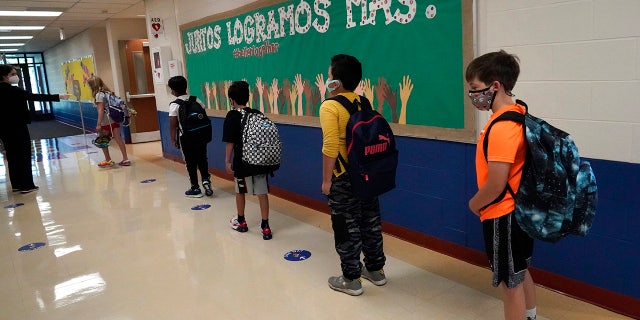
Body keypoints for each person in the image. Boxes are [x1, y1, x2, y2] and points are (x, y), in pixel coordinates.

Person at [466, 50, 537, 320]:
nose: (473, 95)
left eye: (475, 88)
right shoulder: (518, 114)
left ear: (495, 85)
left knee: (510, 285)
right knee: (520, 271)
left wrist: (474, 204)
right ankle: (530, 316)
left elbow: (496, 184)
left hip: (502, 215)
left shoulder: (502, 127)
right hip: (516, 212)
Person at [319, 54, 387, 296]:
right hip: (367, 174)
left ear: (335, 82)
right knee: (370, 222)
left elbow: (330, 146)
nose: (327, 80)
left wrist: (327, 181)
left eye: (329, 76)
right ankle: (376, 271)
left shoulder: (330, 106)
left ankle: (351, 279)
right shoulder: (364, 102)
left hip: (343, 177)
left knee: (345, 227)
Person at [0, 64, 69, 194]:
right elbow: (35, 96)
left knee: (12, 155)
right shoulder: (14, 91)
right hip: (18, 126)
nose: (16, 77)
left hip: (4, 129)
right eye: (13, 74)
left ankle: (16, 184)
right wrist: (58, 96)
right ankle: (26, 185)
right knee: (23, 155)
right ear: (4, 76)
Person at [222, 80, 273, 240]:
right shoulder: (257, 114)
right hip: (259, 162)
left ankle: (241, 221)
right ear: (247, 97)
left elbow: (230, 142)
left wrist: (227, 161)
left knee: (240, 191)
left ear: (232, 100)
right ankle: (265, 227)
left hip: (242, 162)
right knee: (262, 193)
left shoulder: (232, 116)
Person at [167, 75, 213, 198]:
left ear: (174, 90)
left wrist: (173, 139)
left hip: (186, 138)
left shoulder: (174, 105)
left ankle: (195, 188)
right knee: (202, 159)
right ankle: (206, 181)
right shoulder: (196, 99)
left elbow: (173, 125)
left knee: (190, 162)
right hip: (201, 135)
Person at [86, 76, 130, 168]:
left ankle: (108, 159)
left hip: (106, 121)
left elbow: (101, 110)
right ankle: (126, 159)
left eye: (90, 86)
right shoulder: (108, 92)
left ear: (93, 86)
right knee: (118, 138)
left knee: (102, 139)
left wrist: (98, 124)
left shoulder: (98, 95)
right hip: (114, 119)